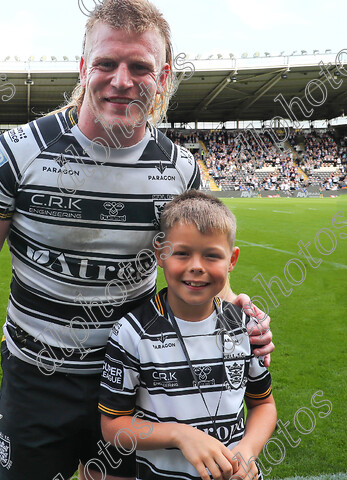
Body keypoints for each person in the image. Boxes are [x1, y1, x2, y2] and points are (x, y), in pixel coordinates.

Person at [0, 0, 274, 480]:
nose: (122, 80)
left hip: (135, 375)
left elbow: (197, 266)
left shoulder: (180, 170)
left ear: (162, 77)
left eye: (140, 66)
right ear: (81, 68)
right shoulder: (17, 153)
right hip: (36, 375)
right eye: (106, 63)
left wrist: (236, 310)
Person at [99, 191, 276, 480]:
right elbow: (113, 427)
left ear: (232, 260)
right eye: (182, 253)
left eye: (211, 255)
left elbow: (264, 404)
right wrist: (180, 435)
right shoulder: (132, 333)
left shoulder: (243, 326)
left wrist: (248, 450)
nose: (196, 266)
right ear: (161, 255)